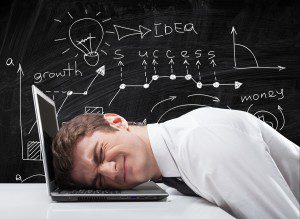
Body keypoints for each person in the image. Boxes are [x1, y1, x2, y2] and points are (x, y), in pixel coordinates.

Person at [52, 107, 299, 218]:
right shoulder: (168, 171)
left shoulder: (203, 145)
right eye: (99, 181)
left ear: (116, 122)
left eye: (100, 153)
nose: (111, 172)